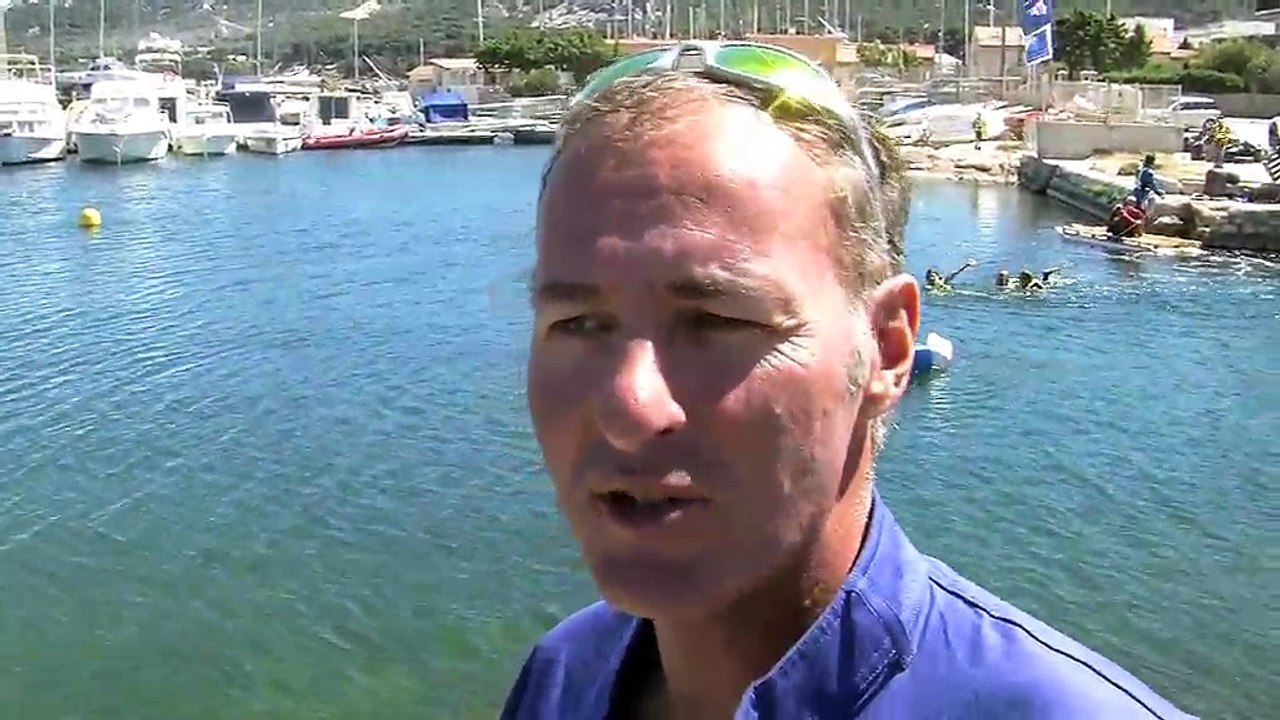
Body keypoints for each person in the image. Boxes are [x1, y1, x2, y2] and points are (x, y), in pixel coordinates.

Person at [505, 41, 1193, 720]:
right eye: (579, 324)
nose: (630, 406)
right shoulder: (564, 677)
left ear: (888, 349)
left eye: (716, 321)